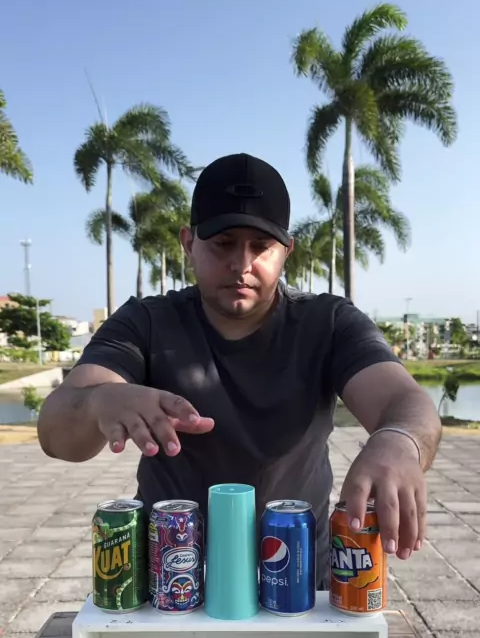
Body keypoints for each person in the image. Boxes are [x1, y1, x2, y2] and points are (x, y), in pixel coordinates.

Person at [38, 153, 441, 589]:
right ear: (188, 244)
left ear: (286, 252)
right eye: (224, 243)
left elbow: (405, 401)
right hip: (172, 582)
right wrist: (100, 401)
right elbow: (57, 434)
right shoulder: (146, 322)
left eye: (261, 246)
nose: (242, 263)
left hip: (300, 581)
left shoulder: (328, 323)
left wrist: (398, 441)